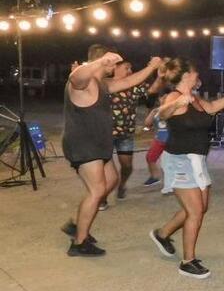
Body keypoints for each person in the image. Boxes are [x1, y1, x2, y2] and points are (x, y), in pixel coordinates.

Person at [60, 45, 162, 256]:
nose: (115, 67)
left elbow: (128, 82)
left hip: (98, 146)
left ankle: (76, 224)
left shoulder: (102, 84)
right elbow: (75, 78)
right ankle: (79, 243)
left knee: (112, 180)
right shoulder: (84, 83)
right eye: (113, 63)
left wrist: (152, 67)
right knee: (97, 191)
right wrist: (98, 62)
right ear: (103, 61)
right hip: (84, 145)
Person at [149, 58, 224, 279]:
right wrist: (176, 104)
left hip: (196, 161)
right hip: (179, 161)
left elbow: (211, 108)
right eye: (194, 71)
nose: (198, 73)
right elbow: (160, 114)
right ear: (186, 76)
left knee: (201, 208)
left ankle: (162, 234)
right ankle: (187, 261)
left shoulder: (196, 98)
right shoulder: (174, 97)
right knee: (195, 212)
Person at [101, 59, 166, 206]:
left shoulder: (134, 85)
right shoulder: (104, 83)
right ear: (115, 68)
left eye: (131, 68)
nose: (130, 71)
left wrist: (160, 77)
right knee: (106, 170)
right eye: (126, 67)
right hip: (105, 133)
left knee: (127, 166)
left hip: (126, 133)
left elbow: (152, 91)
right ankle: (102, 196)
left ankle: (122, 185)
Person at [142, 93, 170, 188]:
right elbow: (147, 124)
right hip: (159, 139)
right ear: (159, 98)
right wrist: (152, 113)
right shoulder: (156, 111)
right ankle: (155, 176)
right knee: (150, 157)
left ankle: (172, 182)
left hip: (171, 140)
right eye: (162, 97)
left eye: (167, 97)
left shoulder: (174, 109)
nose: (164, 99)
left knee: (169, 162)